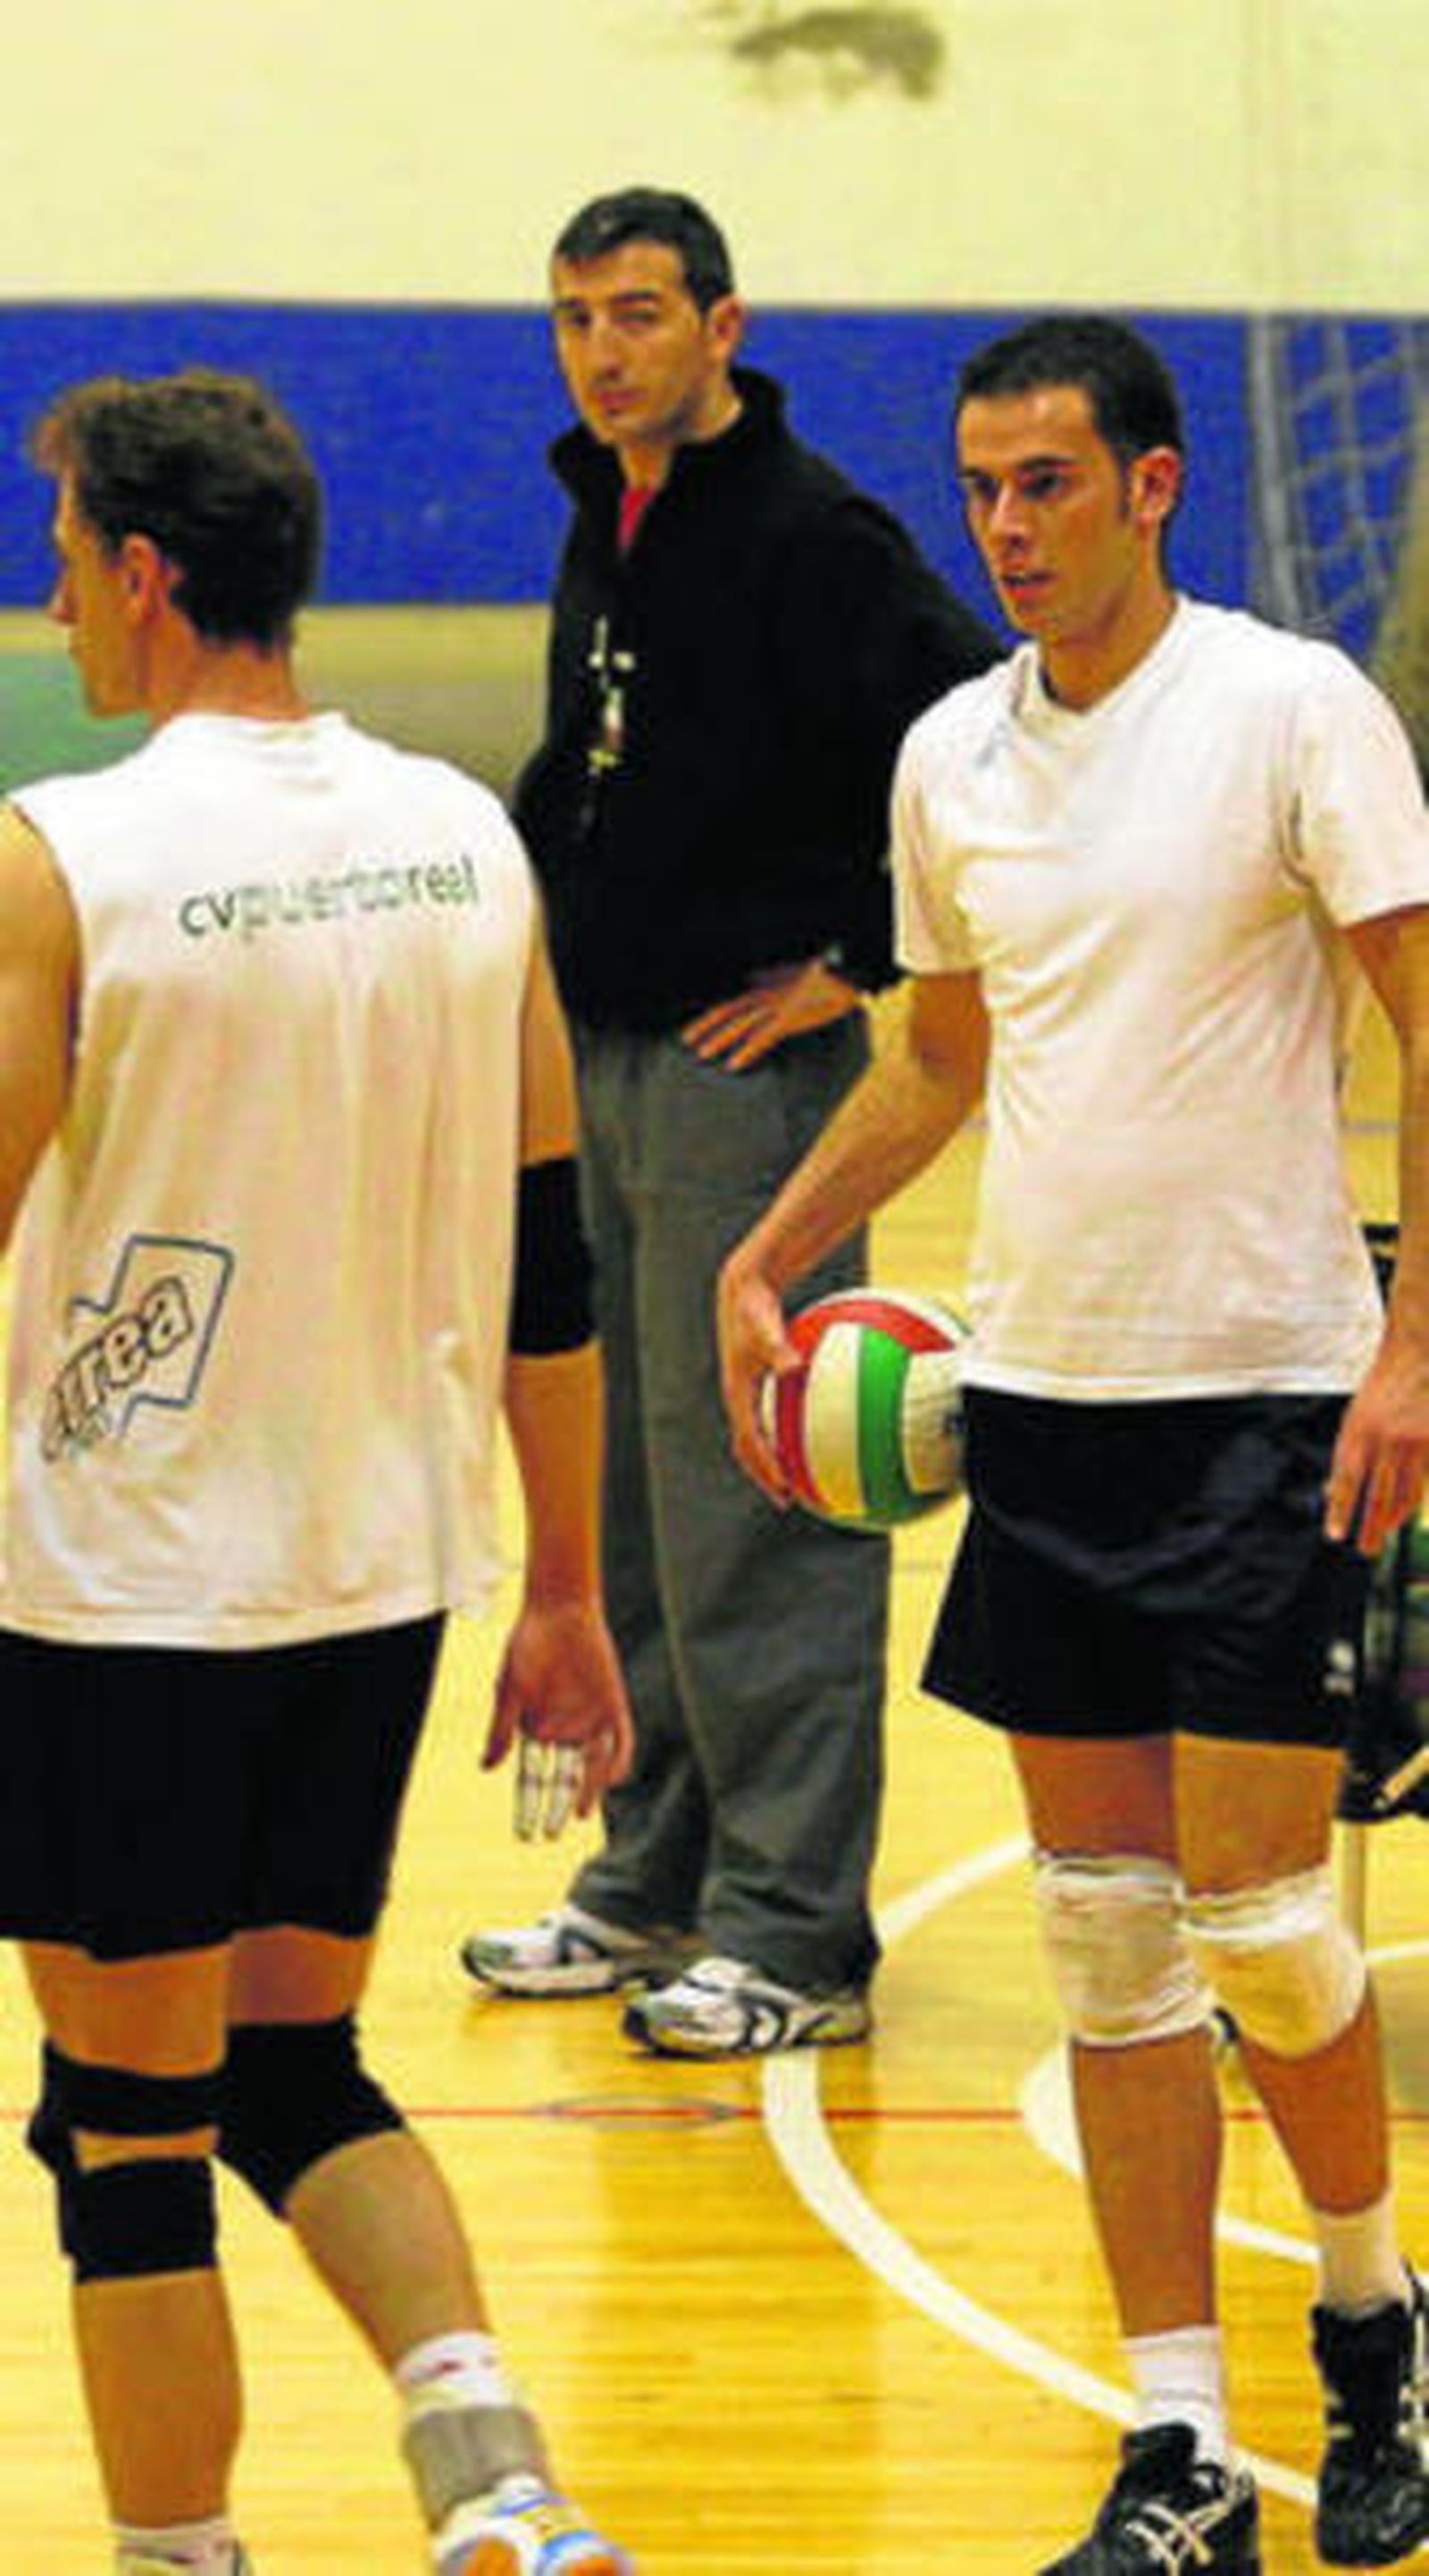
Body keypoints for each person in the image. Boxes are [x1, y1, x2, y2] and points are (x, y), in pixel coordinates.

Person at [716, 313, 1429, 2572]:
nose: (1004, 527)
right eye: (978, 488)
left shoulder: (1289, 713)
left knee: (1263, 1930)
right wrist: (777, 1244)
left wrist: (1411, 1350)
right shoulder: (952, 759)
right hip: (1039, 1408)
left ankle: (1368, 2307)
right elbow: (937, 1057)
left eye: (1044, 483)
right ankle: (1179, 2447)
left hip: (1267, 1402)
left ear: (1149, 485)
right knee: (1102, 1946)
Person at [0, 369, 636, 2576]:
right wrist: (564, 1591)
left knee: (131, 2135)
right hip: (379, 1588)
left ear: (148, 577)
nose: (55, 592)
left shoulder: (66, 861)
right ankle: (502, 2492)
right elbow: (557, 1266)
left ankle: (184, 2558)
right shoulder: (466, 838)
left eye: (67, 549)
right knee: (295, 2075)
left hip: (119, 1601)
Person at [460, 185, 999, 2058]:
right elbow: (592, 763)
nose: (602, 350)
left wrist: (853, 953)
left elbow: (971, 731)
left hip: (734, 1080)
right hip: (591, 1056)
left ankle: (792, 1929)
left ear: (721, 325)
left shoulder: (810, 536)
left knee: (744, 1494)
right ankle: (654, 1873)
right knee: (617, 1486)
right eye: (572, 319)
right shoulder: (607, 509)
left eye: (634, 314)